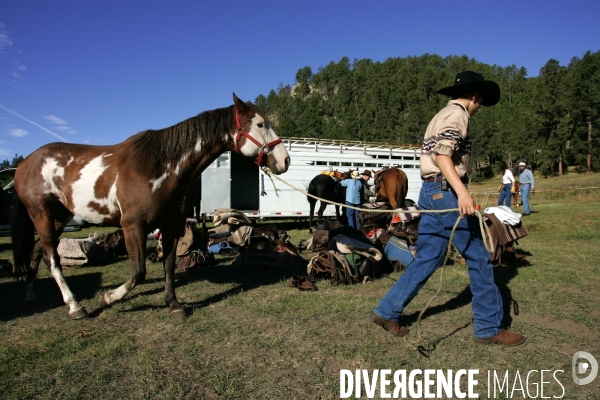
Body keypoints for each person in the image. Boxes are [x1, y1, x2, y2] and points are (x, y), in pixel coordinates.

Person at [371, 71, 525, 347]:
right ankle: (489, 327)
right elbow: (443, 155)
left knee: (428, 258)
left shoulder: (439, 116)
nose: (478, 109)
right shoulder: (458, 115)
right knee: (479, 257)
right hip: (446, 192)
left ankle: (387, 310)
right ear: (474, 96)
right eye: (480, 103)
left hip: (430, 192)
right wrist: (462, 192)